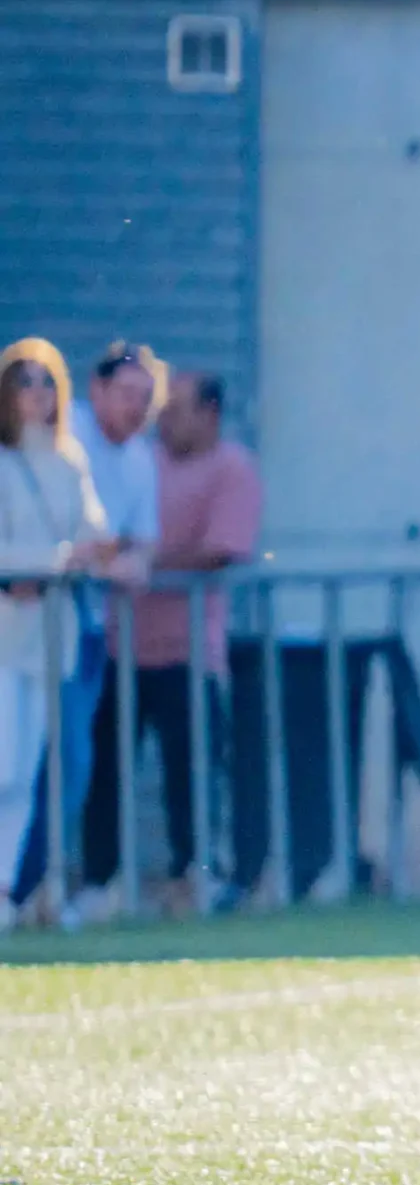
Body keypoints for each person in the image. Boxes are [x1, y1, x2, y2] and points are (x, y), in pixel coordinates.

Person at [83, 371, 262, 915]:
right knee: (105, 771)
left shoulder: (232, 468)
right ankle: (100, 883)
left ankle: (197, 878)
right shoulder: (142, 462)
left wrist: (143, 562)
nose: (163, 418)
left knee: (192, 774)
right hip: (120, 648)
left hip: (188, 653)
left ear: (210, 414)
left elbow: (219, 551)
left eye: (177, 408)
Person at [32, 342, 157, 917]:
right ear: (96, 390)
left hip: (84, 630)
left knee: (73, 760)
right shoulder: (67, 436)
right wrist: (106, 557)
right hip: (29, 627)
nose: (136, 407)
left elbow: (140, 546)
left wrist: (121, 558)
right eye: (126, 393)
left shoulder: (140, 460)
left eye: (145, 397)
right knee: (19, 760)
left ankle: (39, 884)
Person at [0, 341, 108, 930]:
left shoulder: (70, 462)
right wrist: (48, 561)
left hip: (51, 636)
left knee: (35, 772)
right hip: (6, 633)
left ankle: (11, 889)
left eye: (47, 382)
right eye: (25, 382)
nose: (37, 394)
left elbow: (93, 533)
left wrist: (91, 555)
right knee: (5, 767)